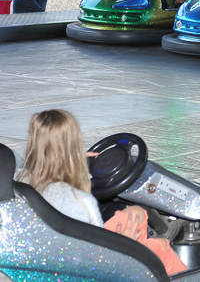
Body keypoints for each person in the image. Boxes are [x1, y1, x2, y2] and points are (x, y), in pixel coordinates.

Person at [16, 109, 187, 275]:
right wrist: (127, 243)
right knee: (159, 248)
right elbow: (99, 260)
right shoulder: (80, 201)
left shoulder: (22, 181)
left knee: (136, 213)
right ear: (74, 145)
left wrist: (76, 161)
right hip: (83, 268)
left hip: (53, 253)